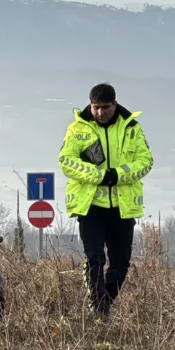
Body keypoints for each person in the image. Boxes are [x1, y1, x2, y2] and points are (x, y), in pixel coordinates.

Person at [58, 83, 153, 317]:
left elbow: (146, 161)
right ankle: (99, 309)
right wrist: (98, 176)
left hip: (122, 206)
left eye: (105, 108)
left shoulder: (132, 127)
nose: (100, 113)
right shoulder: (77, 128)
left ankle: (104, 304)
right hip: (90, 206)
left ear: (115, 104)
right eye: (95, 107)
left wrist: (117, 175)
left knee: (121, 263)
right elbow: (66, 161)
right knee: (94, 258)